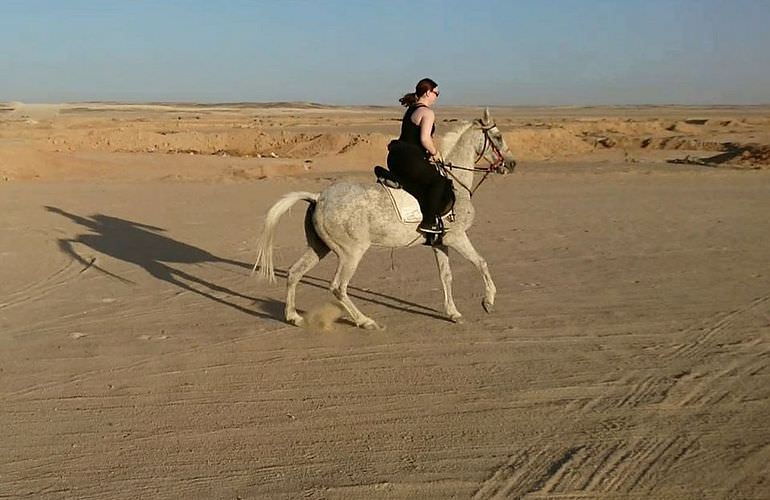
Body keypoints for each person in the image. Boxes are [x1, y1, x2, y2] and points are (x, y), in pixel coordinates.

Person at [387, 78, 452, 235]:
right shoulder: (427, 112)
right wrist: (436, 154)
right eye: (437, 93)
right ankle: (429, 222)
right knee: (439, 181)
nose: (437, 96)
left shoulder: (411, 109)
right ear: (428, 92)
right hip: (409, 159)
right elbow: (424, 139)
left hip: (395, 158)